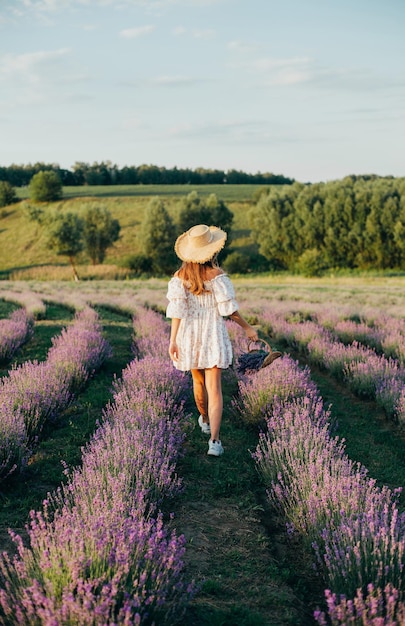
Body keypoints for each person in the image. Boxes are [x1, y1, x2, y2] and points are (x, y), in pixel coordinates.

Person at [166, 224, 259, 457]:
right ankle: (214, 442)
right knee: (214, 389)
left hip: (189, 336)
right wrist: (247, 328)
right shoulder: (218, 278)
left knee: (198, 383)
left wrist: (173, 341)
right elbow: (230, 310)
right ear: (212, 251)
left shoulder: (179, 278)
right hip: (213, 335)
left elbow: (176, 311)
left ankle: (205, 419)